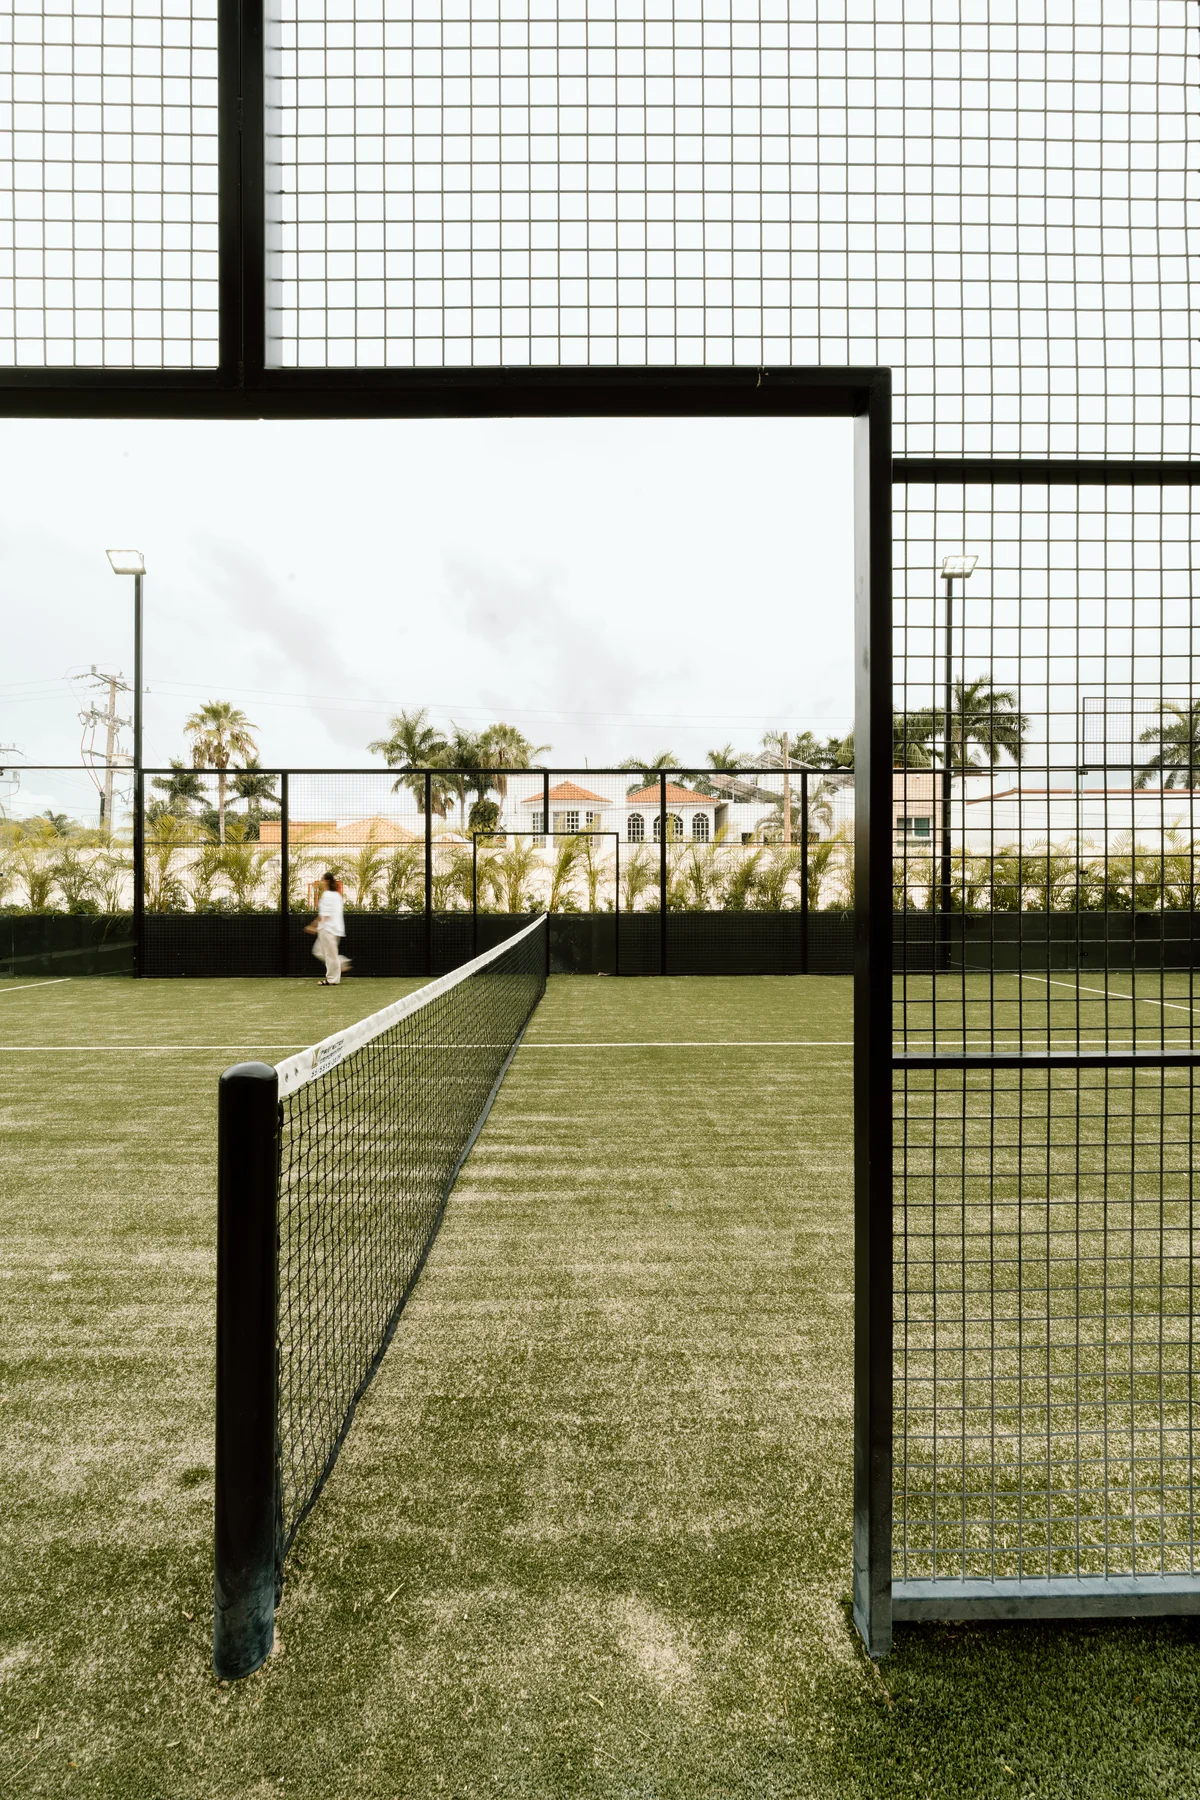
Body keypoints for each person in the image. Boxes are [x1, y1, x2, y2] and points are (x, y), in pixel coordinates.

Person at [304, 872, 351, 985]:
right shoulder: (337, 896)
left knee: (330, 956)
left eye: (322, 879)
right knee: (319, 951)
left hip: (328, 930)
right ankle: (342, 963)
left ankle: (332, 980)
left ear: (327, 881)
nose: (320, 881)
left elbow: (324, 915)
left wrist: (313, 926)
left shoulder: (327, 895)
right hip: (334, 929)